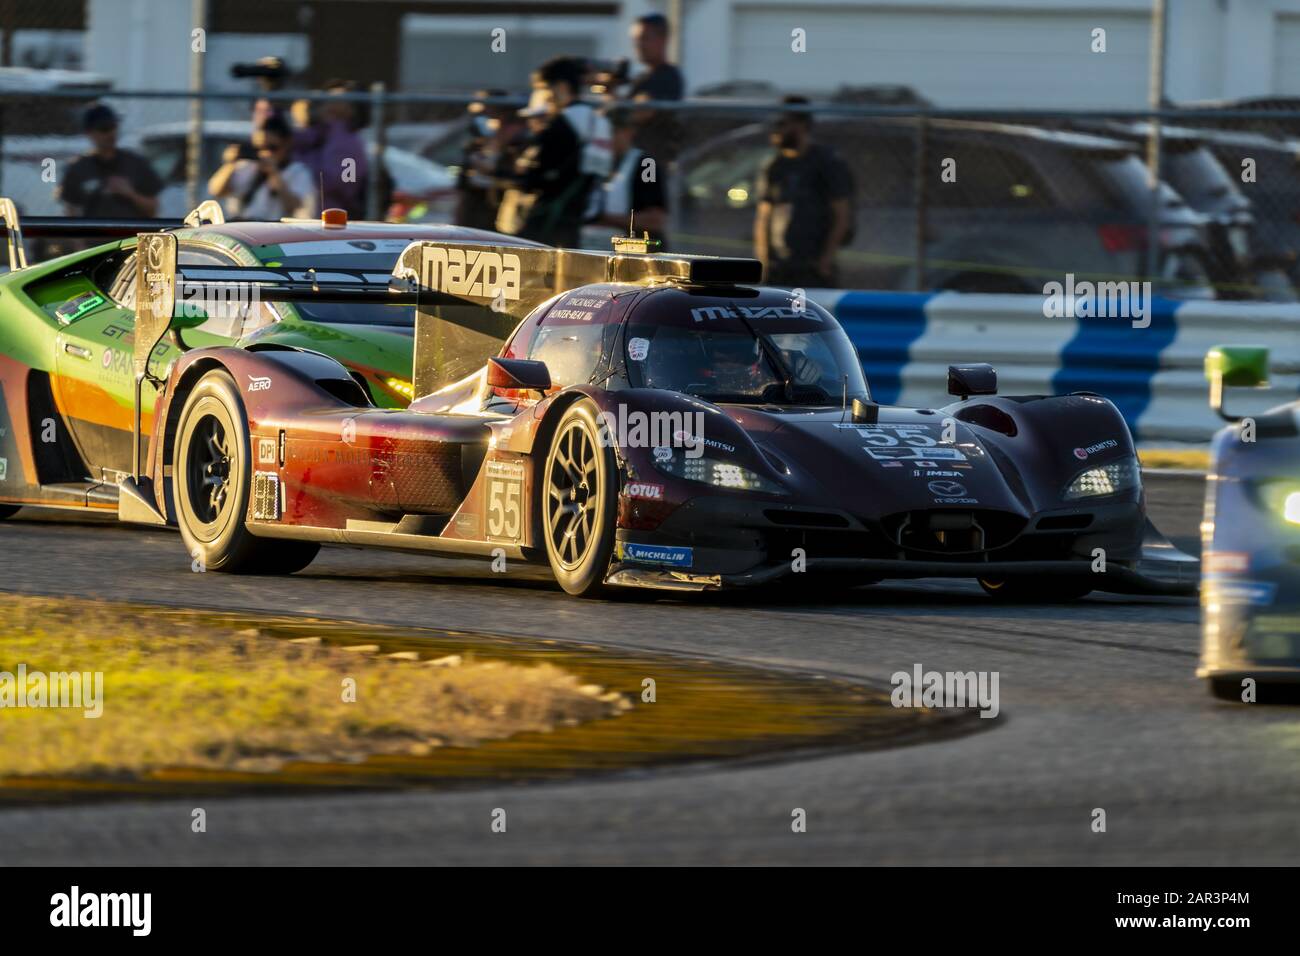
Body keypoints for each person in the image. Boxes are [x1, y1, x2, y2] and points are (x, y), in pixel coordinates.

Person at [499, 56, 612, 248]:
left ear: (561, 86)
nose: (545, 97)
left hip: (547, 223)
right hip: (579, 217)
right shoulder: (601, 123)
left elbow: (534, 178)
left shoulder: (561, 124)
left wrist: (505, 175)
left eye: (545, 88)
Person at [753, 96, 854, 289]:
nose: (776, 131)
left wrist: (825, 260)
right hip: (779, 268)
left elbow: (842, 216)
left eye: (782, 124)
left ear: (800, 125)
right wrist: (764, 261)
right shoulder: (774, 166)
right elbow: (763, 216)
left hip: (812, 267)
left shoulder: (826, 163)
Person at [58, 104, 163, 219]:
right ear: (89, 133)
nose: (110, 134)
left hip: (131, 235)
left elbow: (153, 210)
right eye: (104, 128)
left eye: (113, 126)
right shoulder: (78, 168)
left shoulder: (136, 164)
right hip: (94, 235)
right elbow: (70, 212)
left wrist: (130, 193)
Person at [208, 114, 317, 221]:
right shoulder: (246, 166)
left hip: (273, 232)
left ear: (287, 143)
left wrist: (274, 174)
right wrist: (230, 164)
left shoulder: (297, 172)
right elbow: (216, 190)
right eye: (259, 148)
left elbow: (294, 207)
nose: (264, 153)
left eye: (272, 148)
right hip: (240, 226)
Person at [587, 107, 669, 249]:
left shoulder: (646, 165)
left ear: (628, 131)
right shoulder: (593, 165)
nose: (605, 138)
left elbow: (655, 220)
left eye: (611, 132)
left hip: (634, 253)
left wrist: (606, 219)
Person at [290, 79, 369, 218]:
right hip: (302, 210)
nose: (329, 104)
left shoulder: (350, 142)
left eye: (338, 100)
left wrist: (306, 174)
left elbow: (347, 183)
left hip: (332, 215)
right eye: (328, 98)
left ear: (352, 108)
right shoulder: (318, 132)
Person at [455, 89, 528, 231]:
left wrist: (493, 170)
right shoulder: (475, 145)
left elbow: (515, 177)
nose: (486, 118)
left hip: (497, 204)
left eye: (490, 111)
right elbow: (464, 180)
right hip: (474, 201)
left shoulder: (515, 142)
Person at [627, 13, 685, 161]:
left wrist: (618, 110)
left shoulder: (669, 76)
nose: (639, 45)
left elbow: (643, 111)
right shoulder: (641, 78)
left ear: (663, 40)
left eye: (645, 38)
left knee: (648, 183)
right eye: (636, 39)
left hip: (652, 160)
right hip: (638, 158)